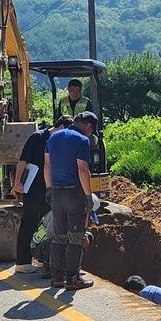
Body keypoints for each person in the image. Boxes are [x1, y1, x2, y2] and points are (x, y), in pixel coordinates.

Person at [44, 111, 100, 291]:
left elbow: (47, 165)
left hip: (56, 193)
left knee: (59, 236)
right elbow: (83, 169)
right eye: (92, 132)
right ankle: (73, 279)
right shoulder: (82, 140)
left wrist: (49, 188)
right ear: (89, 126)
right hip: (74, 194)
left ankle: (57, 278)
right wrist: (88, 196)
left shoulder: (53, 138)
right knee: (76, 237)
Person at [15, 118, 59, 272]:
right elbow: (22, 161)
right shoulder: (37, 137)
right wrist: (17, 182)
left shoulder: (57, 140)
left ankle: (42, 257)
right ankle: (22, 261)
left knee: (46, 224)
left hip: (47, 188)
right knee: (29, 222)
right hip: (33, 188)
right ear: (59, 127)